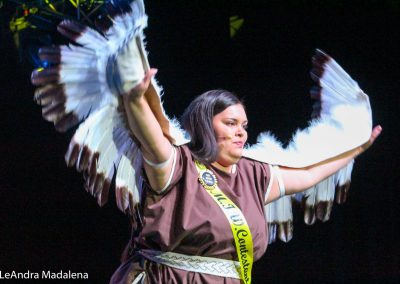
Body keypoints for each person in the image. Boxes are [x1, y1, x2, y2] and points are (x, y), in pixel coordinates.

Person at [108, 68, 381, 283]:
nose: (241, 132)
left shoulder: (254, 175)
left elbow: (309, 173)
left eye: (244, 125)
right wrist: (135, 100)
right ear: (204, 125)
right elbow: (150, 136)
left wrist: (356, 148)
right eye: (230, 124)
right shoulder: (178, 164)